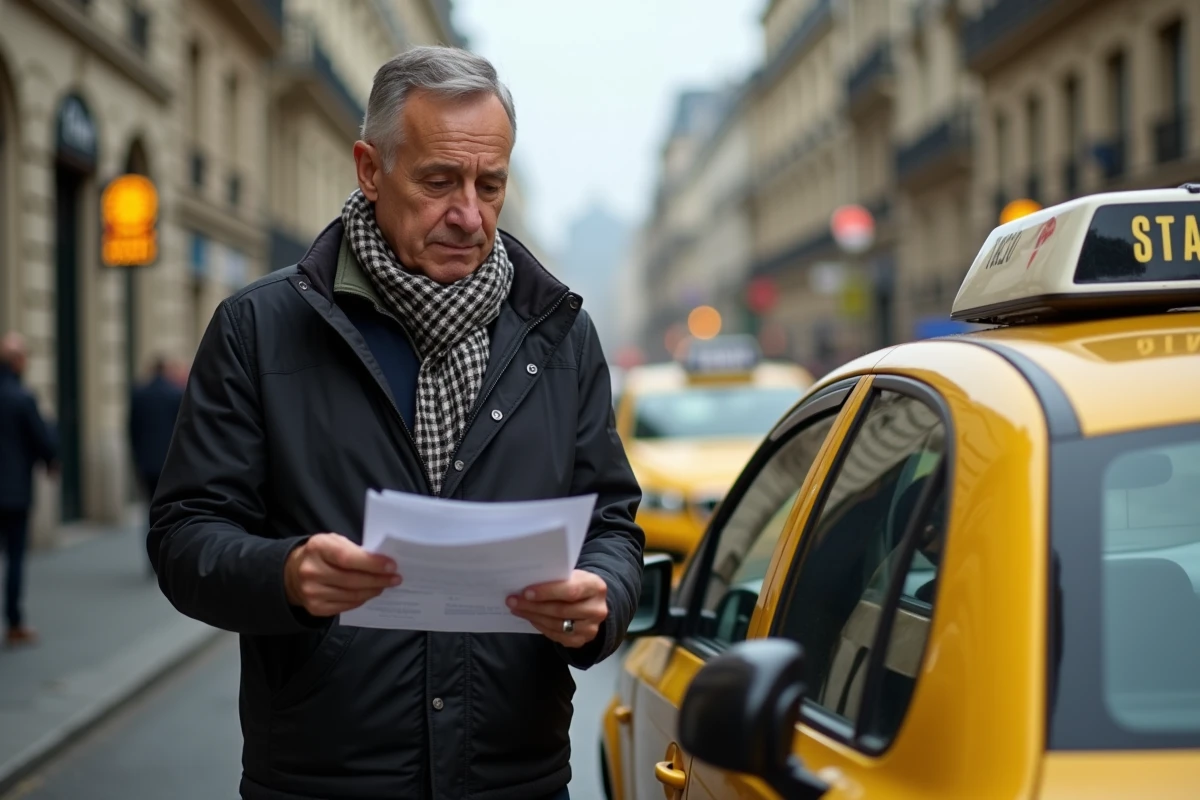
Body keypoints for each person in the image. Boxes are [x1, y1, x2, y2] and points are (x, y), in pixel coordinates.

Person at [149, 46, 643, 800]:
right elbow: (185, 535)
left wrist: (601, 593)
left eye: (491, 184)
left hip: (515, 780)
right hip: (323, 783)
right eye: (439, 181)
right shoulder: (259, 327)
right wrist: (285, 575)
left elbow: (613, 521)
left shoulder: (561, 334)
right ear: (370, 169)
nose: (469, 214)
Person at [0, 331, 57, 646]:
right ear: (18, 361)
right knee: (15, 559)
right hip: (14, 492)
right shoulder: (22, 397)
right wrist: (51, 460)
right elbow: (42, 439)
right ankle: (13, 623)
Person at [129, 356, 185, 574]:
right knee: (168, 510)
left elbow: (132, 429)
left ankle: (151, 557)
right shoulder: (175, 394)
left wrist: (137, 457)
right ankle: (164, 555)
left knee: (149, 510)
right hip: (168, 463)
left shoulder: (139, 394)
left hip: (146, 462)